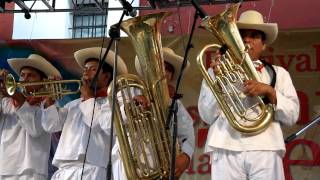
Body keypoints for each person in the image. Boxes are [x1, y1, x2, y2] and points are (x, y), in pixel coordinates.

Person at [198, 10, 300, 180]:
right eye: (241, 34)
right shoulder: (216, 71)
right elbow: (207, 116)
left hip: (265, 147)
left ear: (264, 44)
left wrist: (269, 90)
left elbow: (292, 116)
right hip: (225, 145)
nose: (246, 39)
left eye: (254, 35)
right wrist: (218, 81)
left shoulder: (279, 73)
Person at [41, 47, 128, 180]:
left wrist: (88, 98)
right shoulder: (73, 104)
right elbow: (51, 126)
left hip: (93, 169)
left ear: (106, 77)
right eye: (85, 69)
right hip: (64, 169)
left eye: (92, 69)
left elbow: (98, 123)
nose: (86, 73)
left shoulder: (112, 102)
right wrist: (49, 102)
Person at [112, 47, 195, 179]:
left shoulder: (175, 104)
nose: (163, 72)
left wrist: (186, 156)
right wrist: (131, 107)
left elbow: (187, 134)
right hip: (128, 166)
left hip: (161, 168)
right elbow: (109, 124)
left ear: (171, 76)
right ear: (146, 70)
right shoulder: (127, 91)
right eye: (159, 66)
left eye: (168, 69)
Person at [0, 54, 61, 180]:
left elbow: (35, 130)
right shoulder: (7, 102)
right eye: (22, 75)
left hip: (33, 169)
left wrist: (18, 98)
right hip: (6, 167)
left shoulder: (49, 104)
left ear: (43, 81)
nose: (24, 79)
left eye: (31, 75)